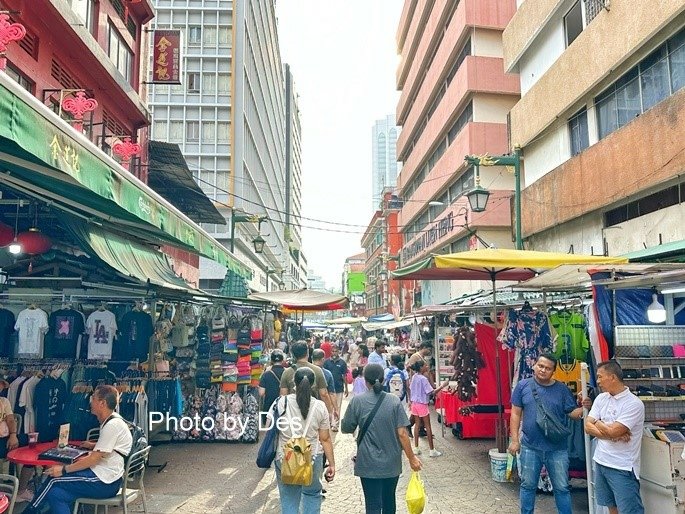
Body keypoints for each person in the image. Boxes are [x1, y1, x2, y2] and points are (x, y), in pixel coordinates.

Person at [24, 385, 133, 514]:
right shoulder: (112, 420)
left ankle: (30, 511)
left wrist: (64, 470)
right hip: (106, 476)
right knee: (55, 494)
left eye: (93, 398)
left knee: (54, 479)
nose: (90, 401)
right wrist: (93, 445)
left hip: (104, 481)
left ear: (102, 403)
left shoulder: (112, 425)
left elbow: (93, 459)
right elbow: (110, 447)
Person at [508, 353, 590, 514]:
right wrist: (515, 440)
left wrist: (585, 407)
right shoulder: (523, 386)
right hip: (530, 446)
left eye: (547, 368)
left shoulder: (562, 389)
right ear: (534, 366)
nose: (543, 370)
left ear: (553, 371)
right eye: (540, 366)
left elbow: (572, 413)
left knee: (562, 488)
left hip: (557, 448)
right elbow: (515, 414)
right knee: (527, 486)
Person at [341, 364, 422, 514]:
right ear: (384, 379)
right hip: (391, 463)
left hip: (367, 462)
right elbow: (403, 433)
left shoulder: (357, 401)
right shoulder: (394, 401)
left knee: (372, 505)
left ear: (366, 381)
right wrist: (412, 458)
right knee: (389, 501)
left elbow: (346, 428)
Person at [585, 360, 645, 514]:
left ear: (612, 377)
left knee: (629, 510)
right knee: (611, 507)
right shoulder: (601, 398)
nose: (597, 381)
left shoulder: (634, 404)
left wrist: (598, 423)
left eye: (600, 377)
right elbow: (587, 426)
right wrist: (606, 429)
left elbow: (613, 432)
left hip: (622, 466)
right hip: (601, 461)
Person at [275, 367, 335, 514]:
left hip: (285, 456)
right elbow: (325, 439)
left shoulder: (281, 403)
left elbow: (272, 428)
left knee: (288, 497)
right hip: (312, 457)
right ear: (314, 384)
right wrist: (332, 464)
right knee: (313, 494)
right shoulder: (320, 407)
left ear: (293, 383)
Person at [280, 341, 337, 422]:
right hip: (312, 411)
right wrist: (330, 411)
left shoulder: (287, 372)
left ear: (293, 355)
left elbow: (283, 395)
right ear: (307, 353)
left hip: (293, 412)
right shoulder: (317, 370)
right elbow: (324, 394)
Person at [409, 360, 448, 457]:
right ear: (421, 368)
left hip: (415, 404)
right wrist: (442, 386)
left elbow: (411, 388)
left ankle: (416, 448)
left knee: (417, 425)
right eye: (425, 365)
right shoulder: (423, 379)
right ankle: (432, 450)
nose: (427, 366)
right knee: (428, 426)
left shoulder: (414, 377)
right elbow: (432, 392)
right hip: (422, 404)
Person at [323, 345, 349, 431]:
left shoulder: (342, 363)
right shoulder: (326, 362)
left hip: (339, 388)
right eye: (333, 351)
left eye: (336, 351)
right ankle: (330, 423)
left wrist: (346, 388)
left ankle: (336, 425)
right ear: (331, 352)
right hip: (328, 389)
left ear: (338, 352)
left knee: (337, 407)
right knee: (329, 406)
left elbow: (344, 376)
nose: (334, 353)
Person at [259, 350, 287, 422]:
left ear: (271, 360)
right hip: (284, 407)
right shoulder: (287, 373)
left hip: (269, 407)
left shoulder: (266, 374)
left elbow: (261, 393)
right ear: (282, 360)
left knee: (269, 429)